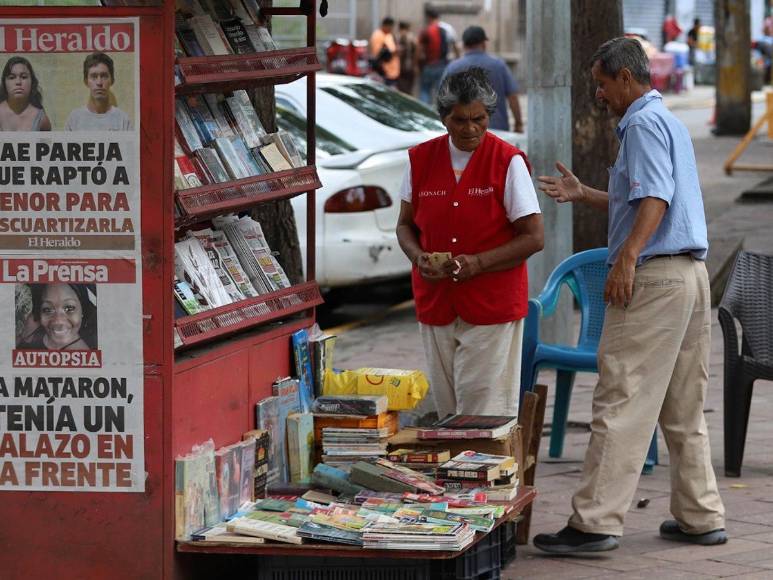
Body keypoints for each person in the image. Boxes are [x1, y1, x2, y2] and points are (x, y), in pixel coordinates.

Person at [533, 37, 726, 554]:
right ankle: (700, 514)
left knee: (620, 399)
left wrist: (626, 257)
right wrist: (586, 194)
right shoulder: (667, 121)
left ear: (624, 76)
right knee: (684, 405)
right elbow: (645, 195)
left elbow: (656, 200)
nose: (598, 93)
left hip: (657, 280)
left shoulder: (639, 123)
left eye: (601, 83)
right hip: (689, 275)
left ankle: (595, 522)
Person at [395, 68, 544, 419]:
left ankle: (483, 471)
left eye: (479, 119)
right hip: (437, 302)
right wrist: (419, 258)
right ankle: (455, 472)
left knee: (482, 409)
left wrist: (479, 262)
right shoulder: (420, 159)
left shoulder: (507, 161)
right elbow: (404, 226)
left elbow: (533, 237)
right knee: (448, 408)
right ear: (444, 118)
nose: (470, 129)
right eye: (459, 120)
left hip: (491, 302)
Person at [441, 26, 524, 133]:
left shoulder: (453, 68)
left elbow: (443, 102)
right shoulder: (499, 65)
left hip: (463, 133)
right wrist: (518, 124)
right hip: (497, 130)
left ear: (464, 45)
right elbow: (513, 97)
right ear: (484, 43)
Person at [18, 283, 97, 350]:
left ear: (82, 311)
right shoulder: (33, 323)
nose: (58, 321)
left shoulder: (84, 358)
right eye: (47, 309)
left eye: (69, 308)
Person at [65, 52, 132, 131]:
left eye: (104, 76)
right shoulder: (74, 119)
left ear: (112, 80)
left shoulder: (123, 119)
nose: (99, 82)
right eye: (94, 76)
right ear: (86, 81)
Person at [0, 56, 52, 131]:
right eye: (12, 77)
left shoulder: (41, 119)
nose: (18, 82)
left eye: (24, 77)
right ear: (4, 83)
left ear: (32, 82)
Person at [417, 7, 449, 104]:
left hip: (429, 65)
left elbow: (418, 49)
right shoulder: (444, 30)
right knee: (440, 93)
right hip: (442, 65)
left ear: (428, 17)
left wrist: (416, 64)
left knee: (425, 91)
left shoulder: (426, 31)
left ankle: (424, 114)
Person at [369, 16, 400, 87]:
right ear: (386, 25)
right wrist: (393, 52)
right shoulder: (378, 35)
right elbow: (379, 54)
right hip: (384, 71)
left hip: (392, 72)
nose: (391, 29)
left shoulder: (388, 35)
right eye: (390, 27)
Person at [397, 21, 418, 95]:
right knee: (409, 89)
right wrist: (415, 65)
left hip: (400, 67)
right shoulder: (412, 38)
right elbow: (416, 52)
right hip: (409, 66)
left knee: (402, 89)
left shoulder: (397, 37)